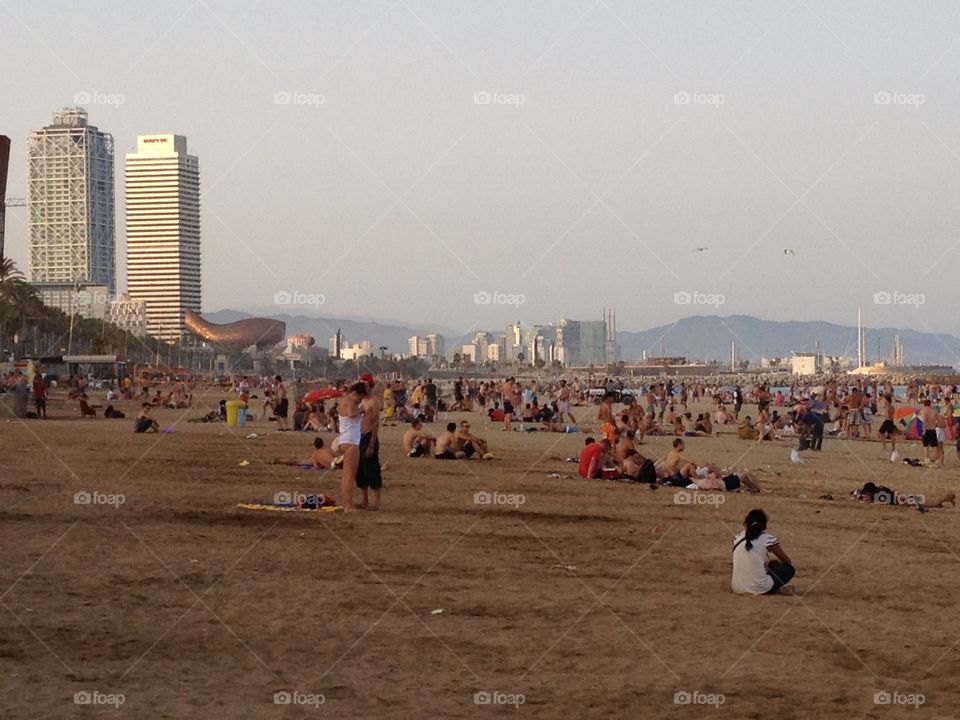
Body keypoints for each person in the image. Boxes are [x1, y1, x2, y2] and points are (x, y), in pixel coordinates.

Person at [731, 509, 795, 595]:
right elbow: (787, 561)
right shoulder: (767, 539)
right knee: (789, 569)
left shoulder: (737, 537)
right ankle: (770, 588)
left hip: (737, 587)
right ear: (764, 525)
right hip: (759, 587)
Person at [337, 382, 368, 511]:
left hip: (347, 440)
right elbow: (351, 414)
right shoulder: (349, 401)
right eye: (359, 398)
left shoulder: (345, 400)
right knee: (349, 476)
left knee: (348, 475)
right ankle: (347, 506)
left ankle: (347, 503)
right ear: (354, 394)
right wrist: (361, 409)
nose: (359, 401)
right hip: (350, 441)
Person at [356, 374, 383, 510]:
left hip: (368, 436)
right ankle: (365, 500)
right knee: (360, 469)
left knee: (371, 468)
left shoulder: (373, 401)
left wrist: (371, 444)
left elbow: (375, 423)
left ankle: (376, 502)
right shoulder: (360, 401)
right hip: (358, 437)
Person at [920, 400, 940, 466]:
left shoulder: (923, 411)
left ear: (924, 404)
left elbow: (924, 420)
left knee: (926, 445)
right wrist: (934, 425)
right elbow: (939, 421)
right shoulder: (934, 411)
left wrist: (924, 430)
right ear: (930, 404)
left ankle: (927, 459)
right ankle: (936, 460)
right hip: (933, 429)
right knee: (934, 445)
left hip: (926, 429)